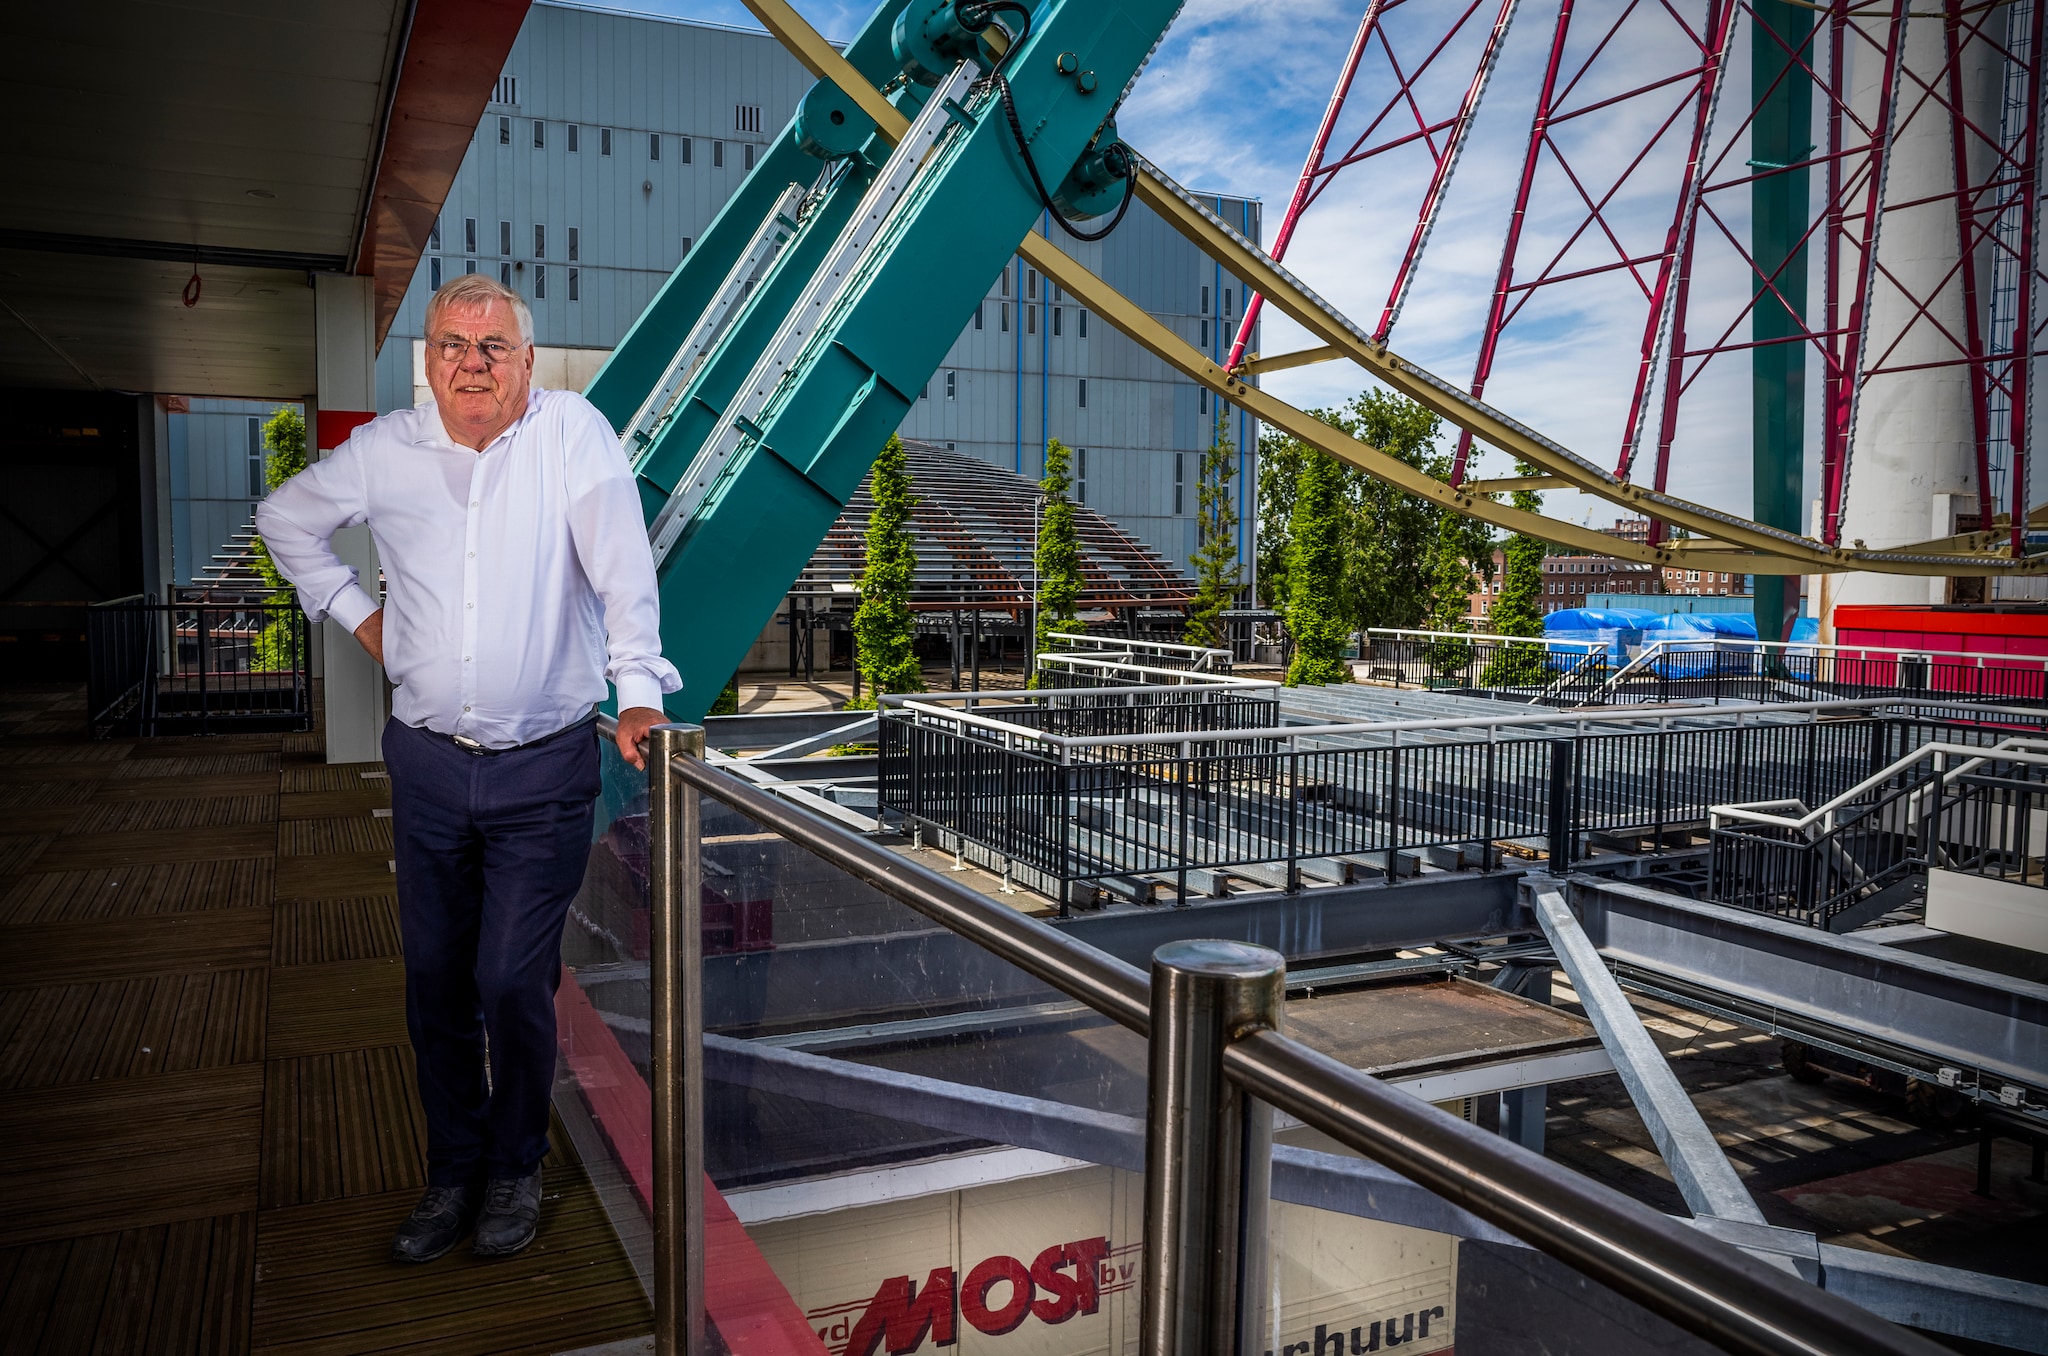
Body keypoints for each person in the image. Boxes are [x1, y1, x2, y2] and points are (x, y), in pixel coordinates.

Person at [256, 272, 678, 1263]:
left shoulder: (573, 436)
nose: (473, 363)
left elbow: (624, 574)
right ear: (429, 362)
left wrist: (641, 691)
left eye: (494, 346)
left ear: (526, 361)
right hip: (431, 768)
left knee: (509, 979)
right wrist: (364, 620)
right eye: (452, 344)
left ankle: (514, 1164)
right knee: (435, 978)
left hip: (543, 771)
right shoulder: (386, 453)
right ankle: (451, 1173)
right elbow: (286, 522)